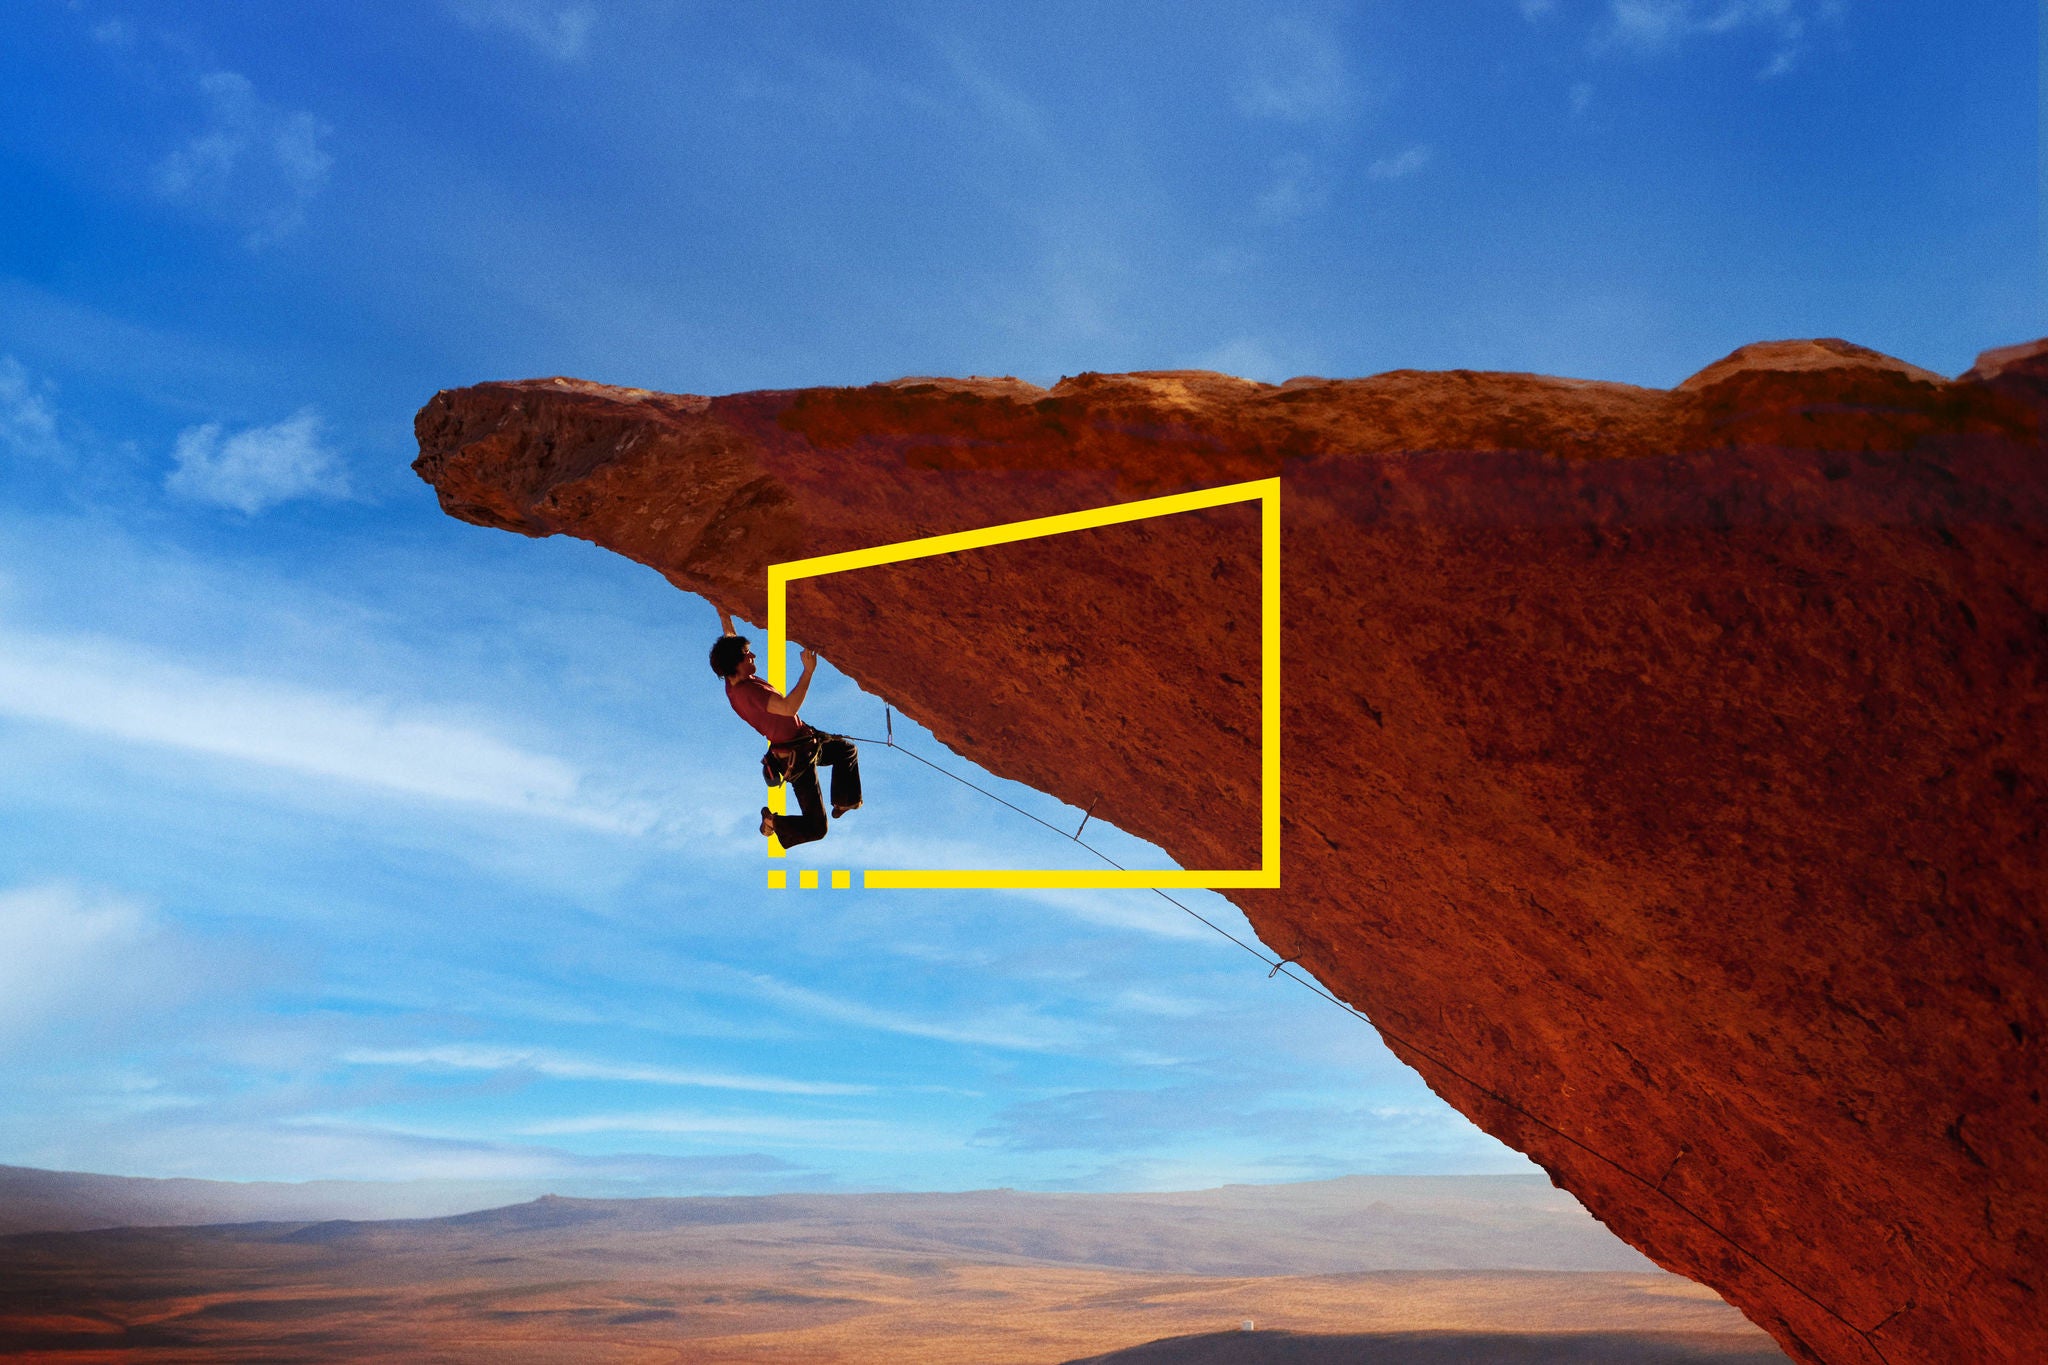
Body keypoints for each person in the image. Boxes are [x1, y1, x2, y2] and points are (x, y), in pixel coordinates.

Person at [710, 606, 861, 848]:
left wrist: (723, 614)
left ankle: (845, 801)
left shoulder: (733, 679)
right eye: (747, 654)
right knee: (817, 828)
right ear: (735, 664)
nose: (753, 656)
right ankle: (773, 823)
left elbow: (729, 641)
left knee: (846, 751)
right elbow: (789, 708)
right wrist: (808, 671)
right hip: (795, 758)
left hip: (804, 740)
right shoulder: (749, 693)